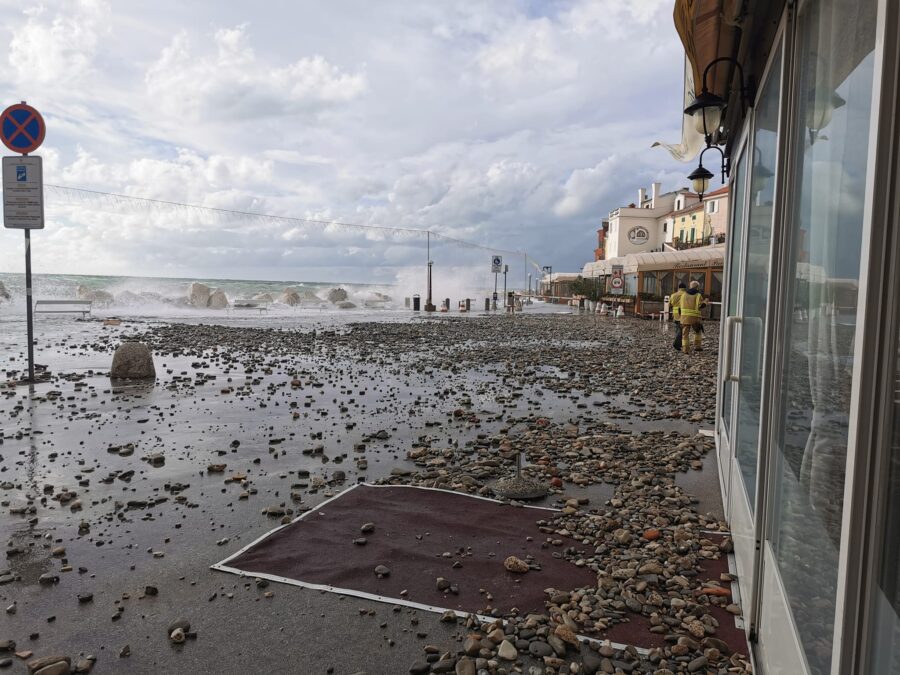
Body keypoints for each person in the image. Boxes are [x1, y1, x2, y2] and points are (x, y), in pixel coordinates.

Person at [679, 280, 706, 354]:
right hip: (695, 317)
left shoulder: (683, 295)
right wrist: (705, 302)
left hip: (684, 317)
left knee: (685, 334)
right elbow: (701, 306)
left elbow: (680, 306)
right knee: (697, 331)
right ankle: (697, 346)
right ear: (698, 287)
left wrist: (680, 316)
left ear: (690, 286)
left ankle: (685, 349)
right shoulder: (698, 295)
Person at [669, 282, 687, 351]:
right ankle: (676, 343)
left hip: (675, 314)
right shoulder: (686, 295)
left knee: (677, 329)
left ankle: (679, 343)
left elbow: (670, 305)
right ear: (685, 288)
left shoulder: (673, 295)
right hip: (683, 314)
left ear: (679, 288)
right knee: (682, 330)